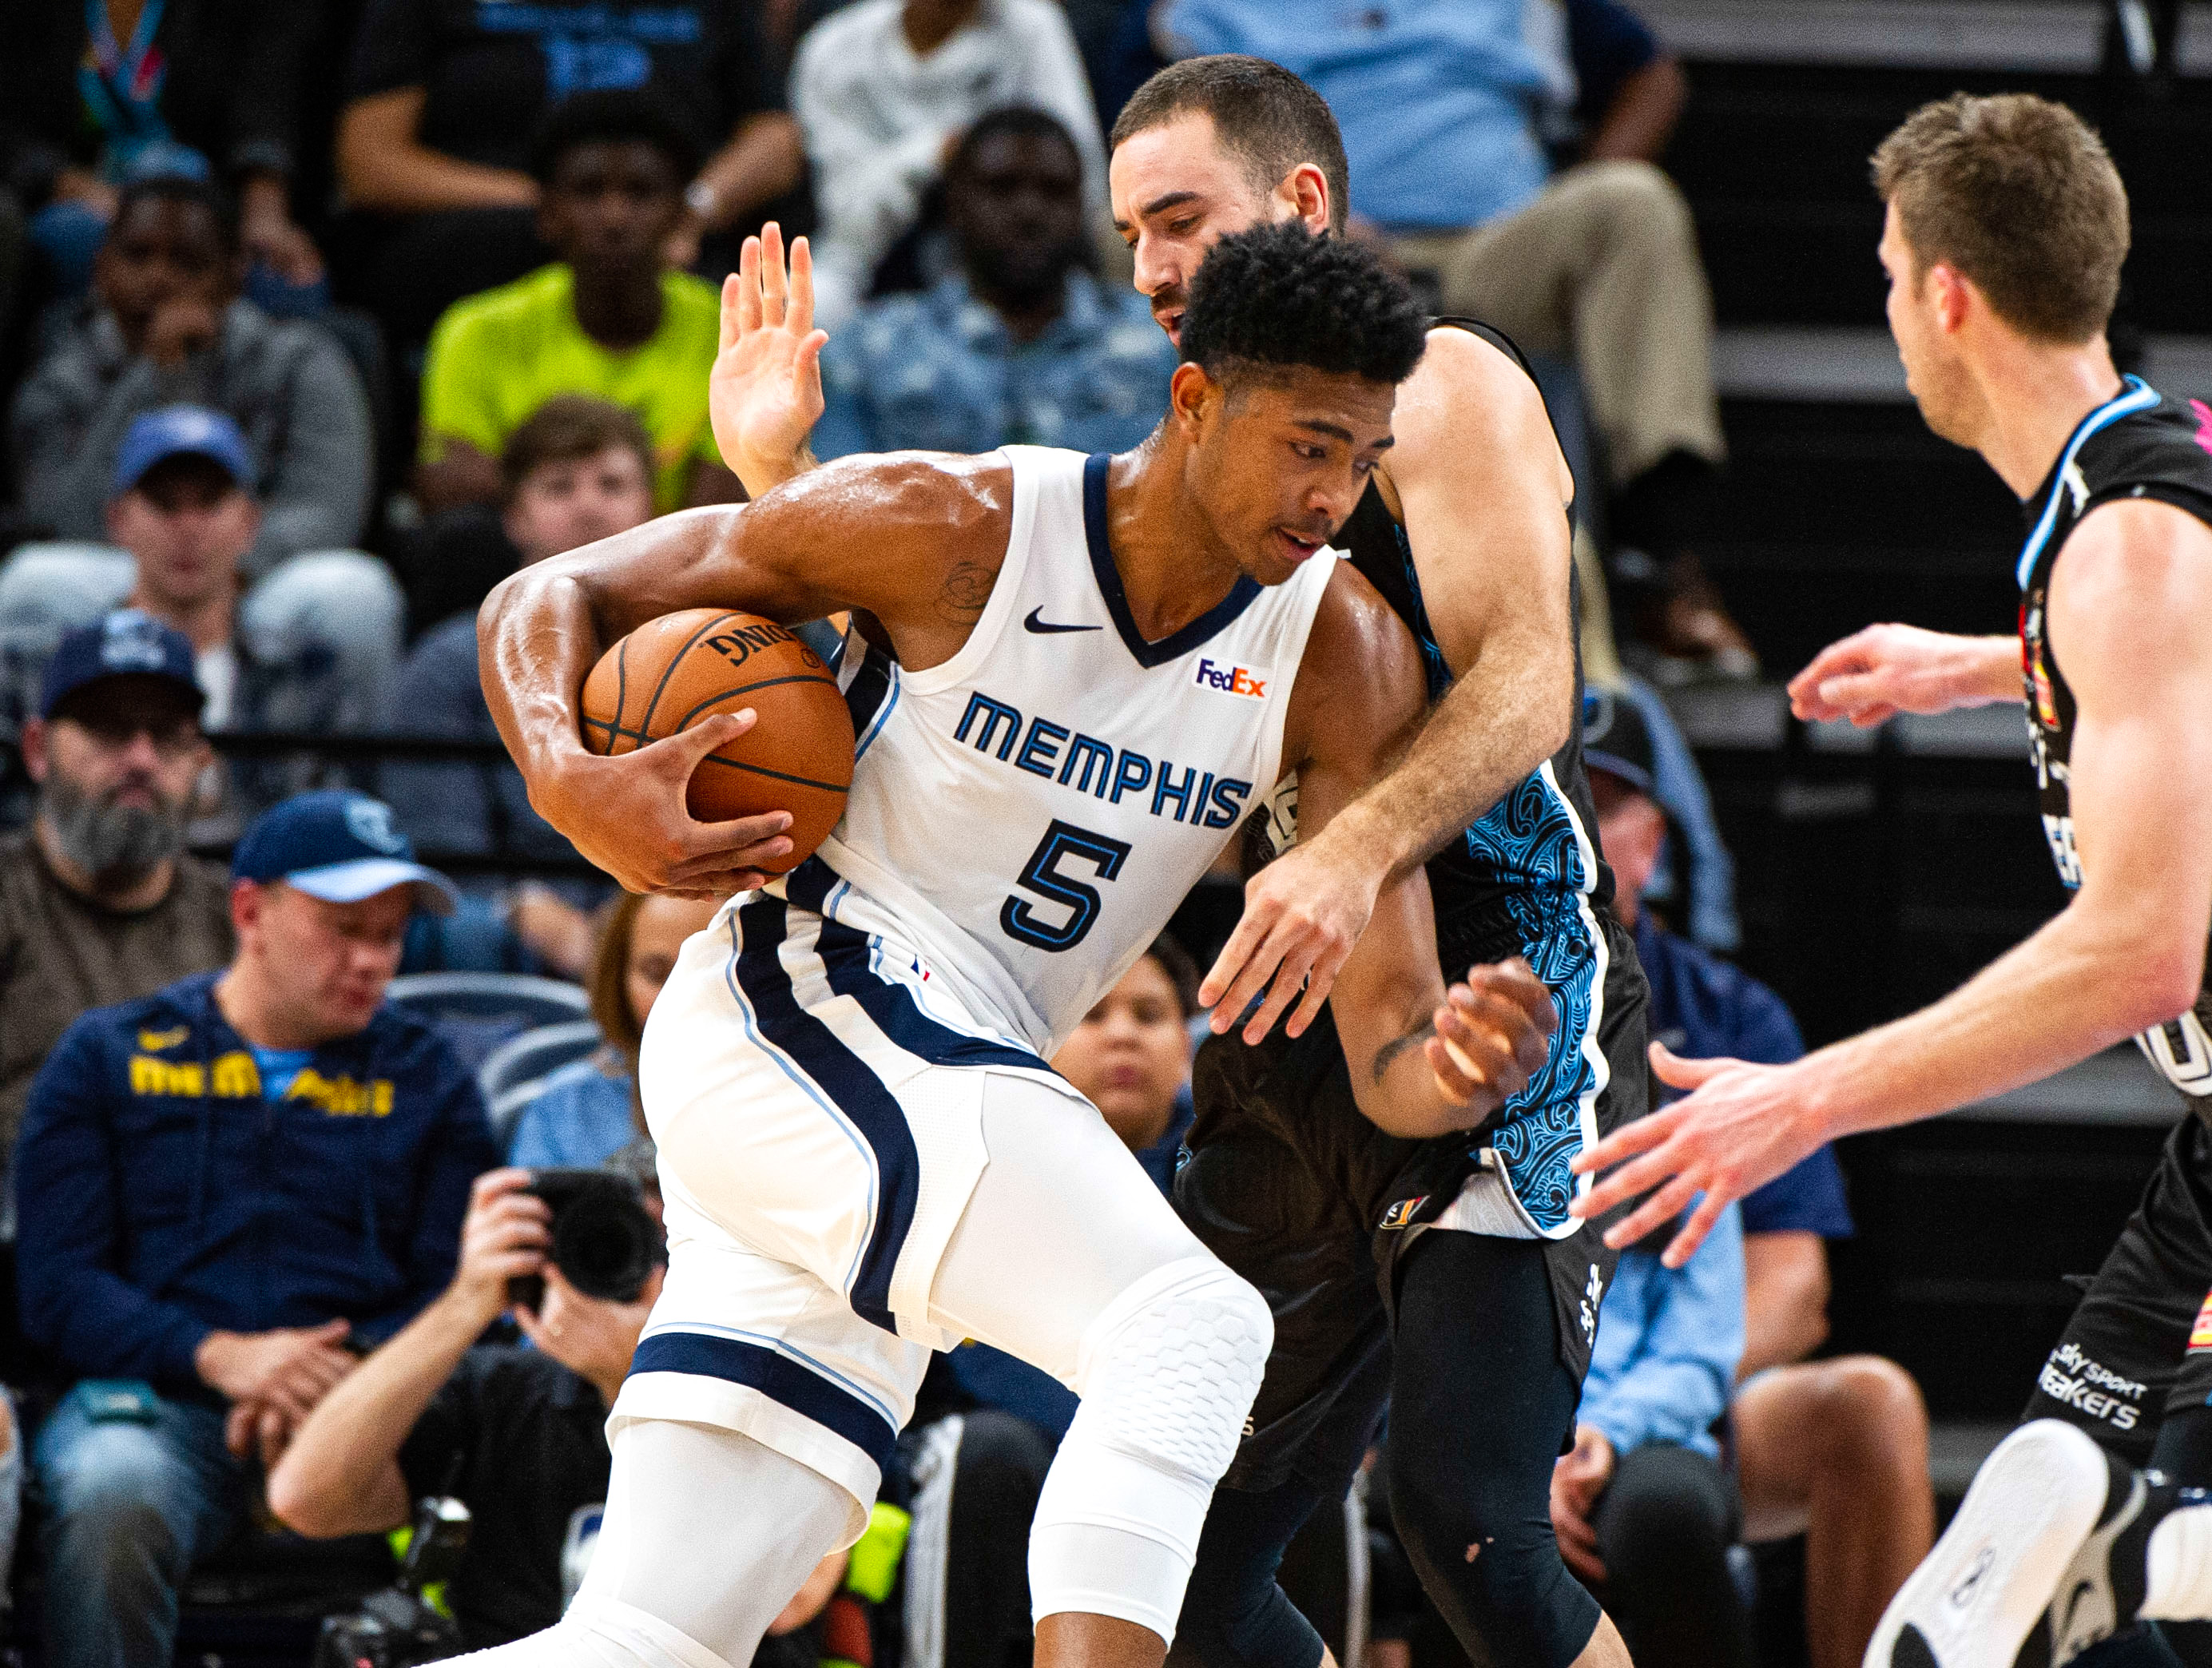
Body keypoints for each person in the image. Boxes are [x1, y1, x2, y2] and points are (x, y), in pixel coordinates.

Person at [467, 220, 1560, 1668]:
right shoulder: (953, 521)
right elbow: (555, 595)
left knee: (650, 1638)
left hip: (903, 1084)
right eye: (1306, 443)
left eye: (1361, 458)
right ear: (1191, 402)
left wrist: (1464, 1068)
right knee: (1188, 1329)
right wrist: (564, 771)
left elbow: (1387, 1055)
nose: (1330, 494)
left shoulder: (1333, 651)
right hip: (806, 998)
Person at [712, 52, 1648, 1668]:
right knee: (1178, 1562)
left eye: (1174, 218)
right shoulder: (1190, 462)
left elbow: (1527, 686)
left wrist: (1349, 853)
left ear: (1296, 203)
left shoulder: (1440, 383)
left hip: (1499, 987)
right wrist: (774, 483)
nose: (1141, 265)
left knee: (1471, 1524)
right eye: (1127, 232)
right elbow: (970, 665)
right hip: (1300, 1019)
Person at [1562, 93, 2212, 1668]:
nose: (1885, 307)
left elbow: (2136, 952)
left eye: (1880, 272)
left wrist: (1801, 1102)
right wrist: (1992, 668)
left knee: (2113, 1602)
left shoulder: (2124, 547)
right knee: (2033, 1550)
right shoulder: (2141, 482)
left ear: (1942, 295)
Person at [15, 788, 498, 1668]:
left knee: (517, 1460)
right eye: (344, 928)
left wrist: (346, 1381)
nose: (373, 961)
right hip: (158, 1407)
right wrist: (220, 1357)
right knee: (114, 1489)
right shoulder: (108, 1055)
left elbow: (461, 1283)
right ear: (250, 911)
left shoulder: (432, 1078)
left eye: (390, 935)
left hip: (373, 1412)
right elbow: (55, 1285)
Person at [1147, 7, 1752, 678]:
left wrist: (1569, 181)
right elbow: (1153, 148)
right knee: (1159, 241)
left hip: (1493, 245)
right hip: (1300, 243)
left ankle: (1653, 554)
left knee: (1632, 204)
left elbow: (1651, 74)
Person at [1582, 686, 1933, 1668]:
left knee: (1872, 1406)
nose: (1577, 828)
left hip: (1675, 1374)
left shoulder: (1733, 1020)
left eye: (1604, 805)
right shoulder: (1446, 993)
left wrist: (1637, 1405)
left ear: (1651, 839)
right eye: (1555, 794)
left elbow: (1794, 1291)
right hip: (1480, 1374)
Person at [338, 0, 802, 356]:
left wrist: (690, 210)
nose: (610, 213)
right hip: (481, 235)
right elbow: (370, 162)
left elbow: (776, 140)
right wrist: (549, 202)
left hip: (677, 234)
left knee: (743, 278)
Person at [7, 174, 371, 574]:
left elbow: (325, 515)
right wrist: (154, 374)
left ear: (234, 276)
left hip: (257, 581)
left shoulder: (300, 361)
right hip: (114, 583)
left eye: (187, 261)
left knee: (345, 587)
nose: (159, 277)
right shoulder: (60, 379)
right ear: (102, 267)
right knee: (39, 575)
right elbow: (60, 523)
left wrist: (209, 572)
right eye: (138, 255)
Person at [1, 611, 233, 1227]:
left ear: (201, 762)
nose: (140, 759)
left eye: (167, 736)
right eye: (108, 730)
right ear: (36, 749)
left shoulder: (239, 922)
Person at [0, 407, 402, 761]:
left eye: (209, 502)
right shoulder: (57, 664)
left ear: (249, 523)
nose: (188, 528)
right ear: (118, 521)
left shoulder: (299, 668)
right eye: (165, 503)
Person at [415, 93, 746, 518]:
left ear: (681, 215)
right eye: (588, 192)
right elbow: (458, 494)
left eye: (641, 193)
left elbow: (719, 523)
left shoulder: (734, 332)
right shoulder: (476, 329)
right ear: (548, 213)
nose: (615, 217)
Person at [385, 397, 660, 880]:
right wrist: (518, 909)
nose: (588, 506)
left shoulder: (706, 641)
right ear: (516, 518)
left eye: (612, 485)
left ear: (652, 508)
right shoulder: (448, 664)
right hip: (511, 916)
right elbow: (444, 854)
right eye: (559, 488)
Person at [812, 105, 1176, 462]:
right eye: (1001, 188)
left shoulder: (1165, 344)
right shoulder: (870, 351)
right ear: (954, 204)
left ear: (1085, 207)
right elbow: (839, 508)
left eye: (1054, 190)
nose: (1028, 211)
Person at [789, 0, 1109, 326]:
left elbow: (1082, 174)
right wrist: (933, 155)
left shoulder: (1030, 23)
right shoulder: (835, 50)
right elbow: (847, 218)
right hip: (876, 255)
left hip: (1002, 253)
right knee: (811, 306)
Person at [0, 0, 324, 304]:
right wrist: (64, 182)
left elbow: (265, 98)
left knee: (282, 282)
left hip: (207, 199)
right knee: (76, 238)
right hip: (70, 196)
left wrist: (265, 212)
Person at [1550, 1198, 1747, 1668]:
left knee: (1665, 1508)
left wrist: (1602, 1434)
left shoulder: (1688, 1143)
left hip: (1636, 1431)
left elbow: (1698, 1356)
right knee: (1468, 1517)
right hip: (1488, 1432)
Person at [507, 890, 724, 1169]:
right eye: (656, 974)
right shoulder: (567, 1104)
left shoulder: (788, 1096)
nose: (678, 995)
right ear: (618, 981)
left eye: (709, 970)